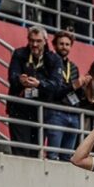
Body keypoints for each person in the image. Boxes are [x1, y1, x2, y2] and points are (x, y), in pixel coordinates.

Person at [6, 25, 63, 156]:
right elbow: (12, 77)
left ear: (45, 40)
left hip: (41, 113)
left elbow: (56, 86)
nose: (34, 44)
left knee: (35, 153)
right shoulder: (19, 54)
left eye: (38, 41)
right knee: (20, 152)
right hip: (19, 110)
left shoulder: (54, 59)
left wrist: (39, 84)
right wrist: (20, 80)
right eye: (31, 40)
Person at [44, 31, 88, 160]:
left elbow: (76, 92)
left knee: (67, 158)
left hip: (73, 114)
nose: (64, 47)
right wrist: (73, 86)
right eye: (61, 44)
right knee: (52, 155)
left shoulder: (73, 67)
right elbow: (54, 91)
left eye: (67, 44)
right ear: (55, 45)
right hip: (56, 112)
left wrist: (82, 86)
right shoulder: (49, 63)